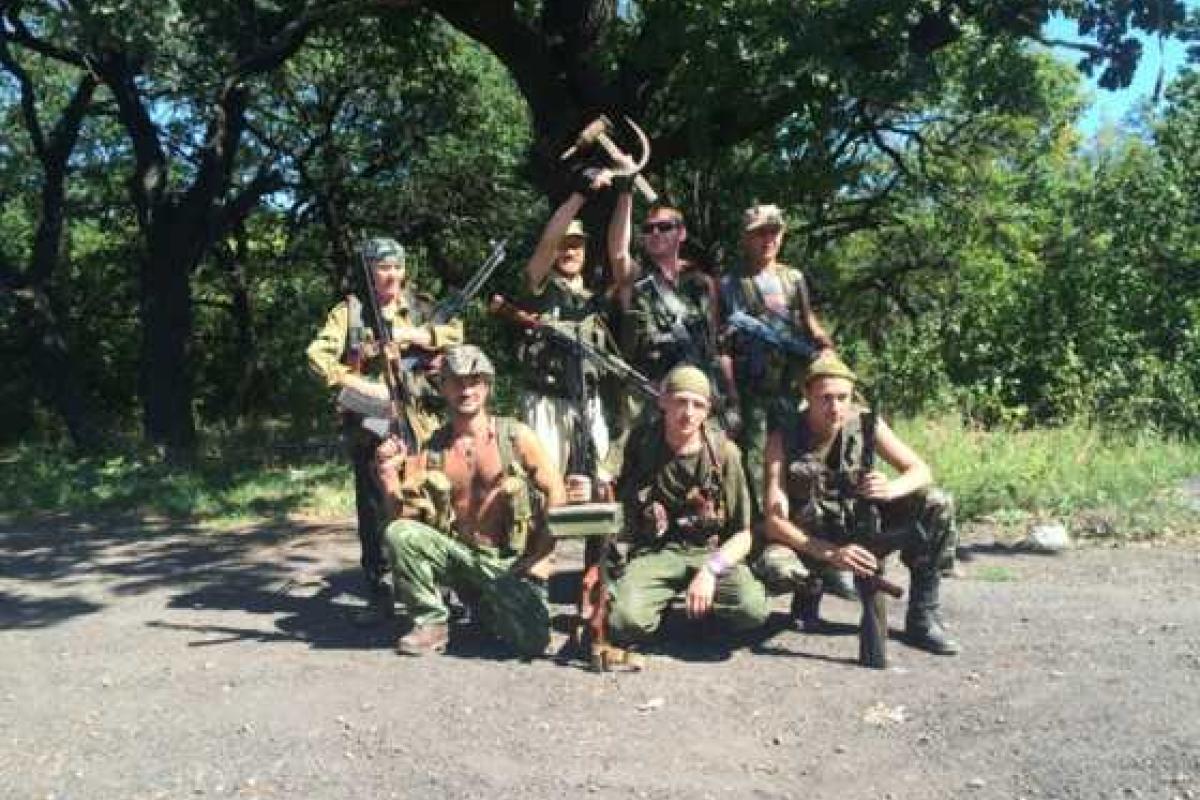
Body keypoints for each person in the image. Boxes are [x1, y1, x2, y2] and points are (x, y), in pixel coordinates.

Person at [757, 352, 961, 655]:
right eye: (825, 398)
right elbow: (775, 522)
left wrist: (890, 489)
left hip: (860, 528)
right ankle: (810, 589)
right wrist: (830, 553)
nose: (835, 407)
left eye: (843, 397)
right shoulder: (782, 437)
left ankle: (923, 616)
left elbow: (921, 470)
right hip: (810, 541)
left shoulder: (866, 424)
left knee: (936, 503)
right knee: (775, 567)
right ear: (807, 396)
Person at [374, 345, 565, 656]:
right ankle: (431, 623)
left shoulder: (516, 437)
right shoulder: (433, 448)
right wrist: (388, 476)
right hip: (460, 559)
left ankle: (489, 607)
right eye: (456, 382)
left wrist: (540, 557)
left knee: (533, 642)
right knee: (399, 534)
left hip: (510, 562)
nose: (466, 391)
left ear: (487, 386)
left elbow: (557, 493)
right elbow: (404, 518)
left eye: (474, 381)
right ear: (443, 388)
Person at [306, 237, 463, 615]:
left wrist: (416, 335)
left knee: (433, 500)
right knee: (376, 507)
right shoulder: (351, 313)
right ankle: (379, 588)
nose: (391, 275)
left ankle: (438, 586)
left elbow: (457, 334)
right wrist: (362, 386)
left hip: (422, 419)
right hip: (373, 421)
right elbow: (316, 357)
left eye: (397, 267)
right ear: (369, 272)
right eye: (383, 267)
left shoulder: (422, 307)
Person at [603, 365, 768, 645]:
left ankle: (709, 614)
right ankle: (662, 608)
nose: (688, 412)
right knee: (624, 621)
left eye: (698, 405)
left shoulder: (725, 454)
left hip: (710, 551)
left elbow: (744, 534)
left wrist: (710, 571)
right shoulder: (641, 441)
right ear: (663, 401)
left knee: (751, 609)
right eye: (680, 401)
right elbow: (605, 476)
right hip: (656, 552)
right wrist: (591, 483)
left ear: (707, 411)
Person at [718, 203, 834, 503]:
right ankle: (758, 520)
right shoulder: (730, 283)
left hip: (791, 385)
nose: (768, 239)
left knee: (794, 453)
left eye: (774, 232)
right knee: (754, 460)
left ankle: (794, 514)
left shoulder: (793, 278)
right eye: (760, 233)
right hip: (751, 389)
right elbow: (723, 347)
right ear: (746, 238)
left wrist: (824, 346)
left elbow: (808, 320)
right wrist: (731, 395)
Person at [516, 171, 617, 480]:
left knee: (600, 480)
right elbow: (547, 244)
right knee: (546, 484)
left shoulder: (595, 298)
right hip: (546, 399)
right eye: (563, 245)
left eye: (576, 245)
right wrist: (580, 195)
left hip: (589, 401)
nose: (569, 251)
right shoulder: (538, 286)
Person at [608, 189, 722, 431]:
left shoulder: (702, 283)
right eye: (648, 229)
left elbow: (712, 345)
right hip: (647, 396)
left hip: (693, 394)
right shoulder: (635, 279)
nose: (655, 233)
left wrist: (726, 395)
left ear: (682, 233)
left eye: (664, 227)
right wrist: (625, 192)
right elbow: (618, 254)